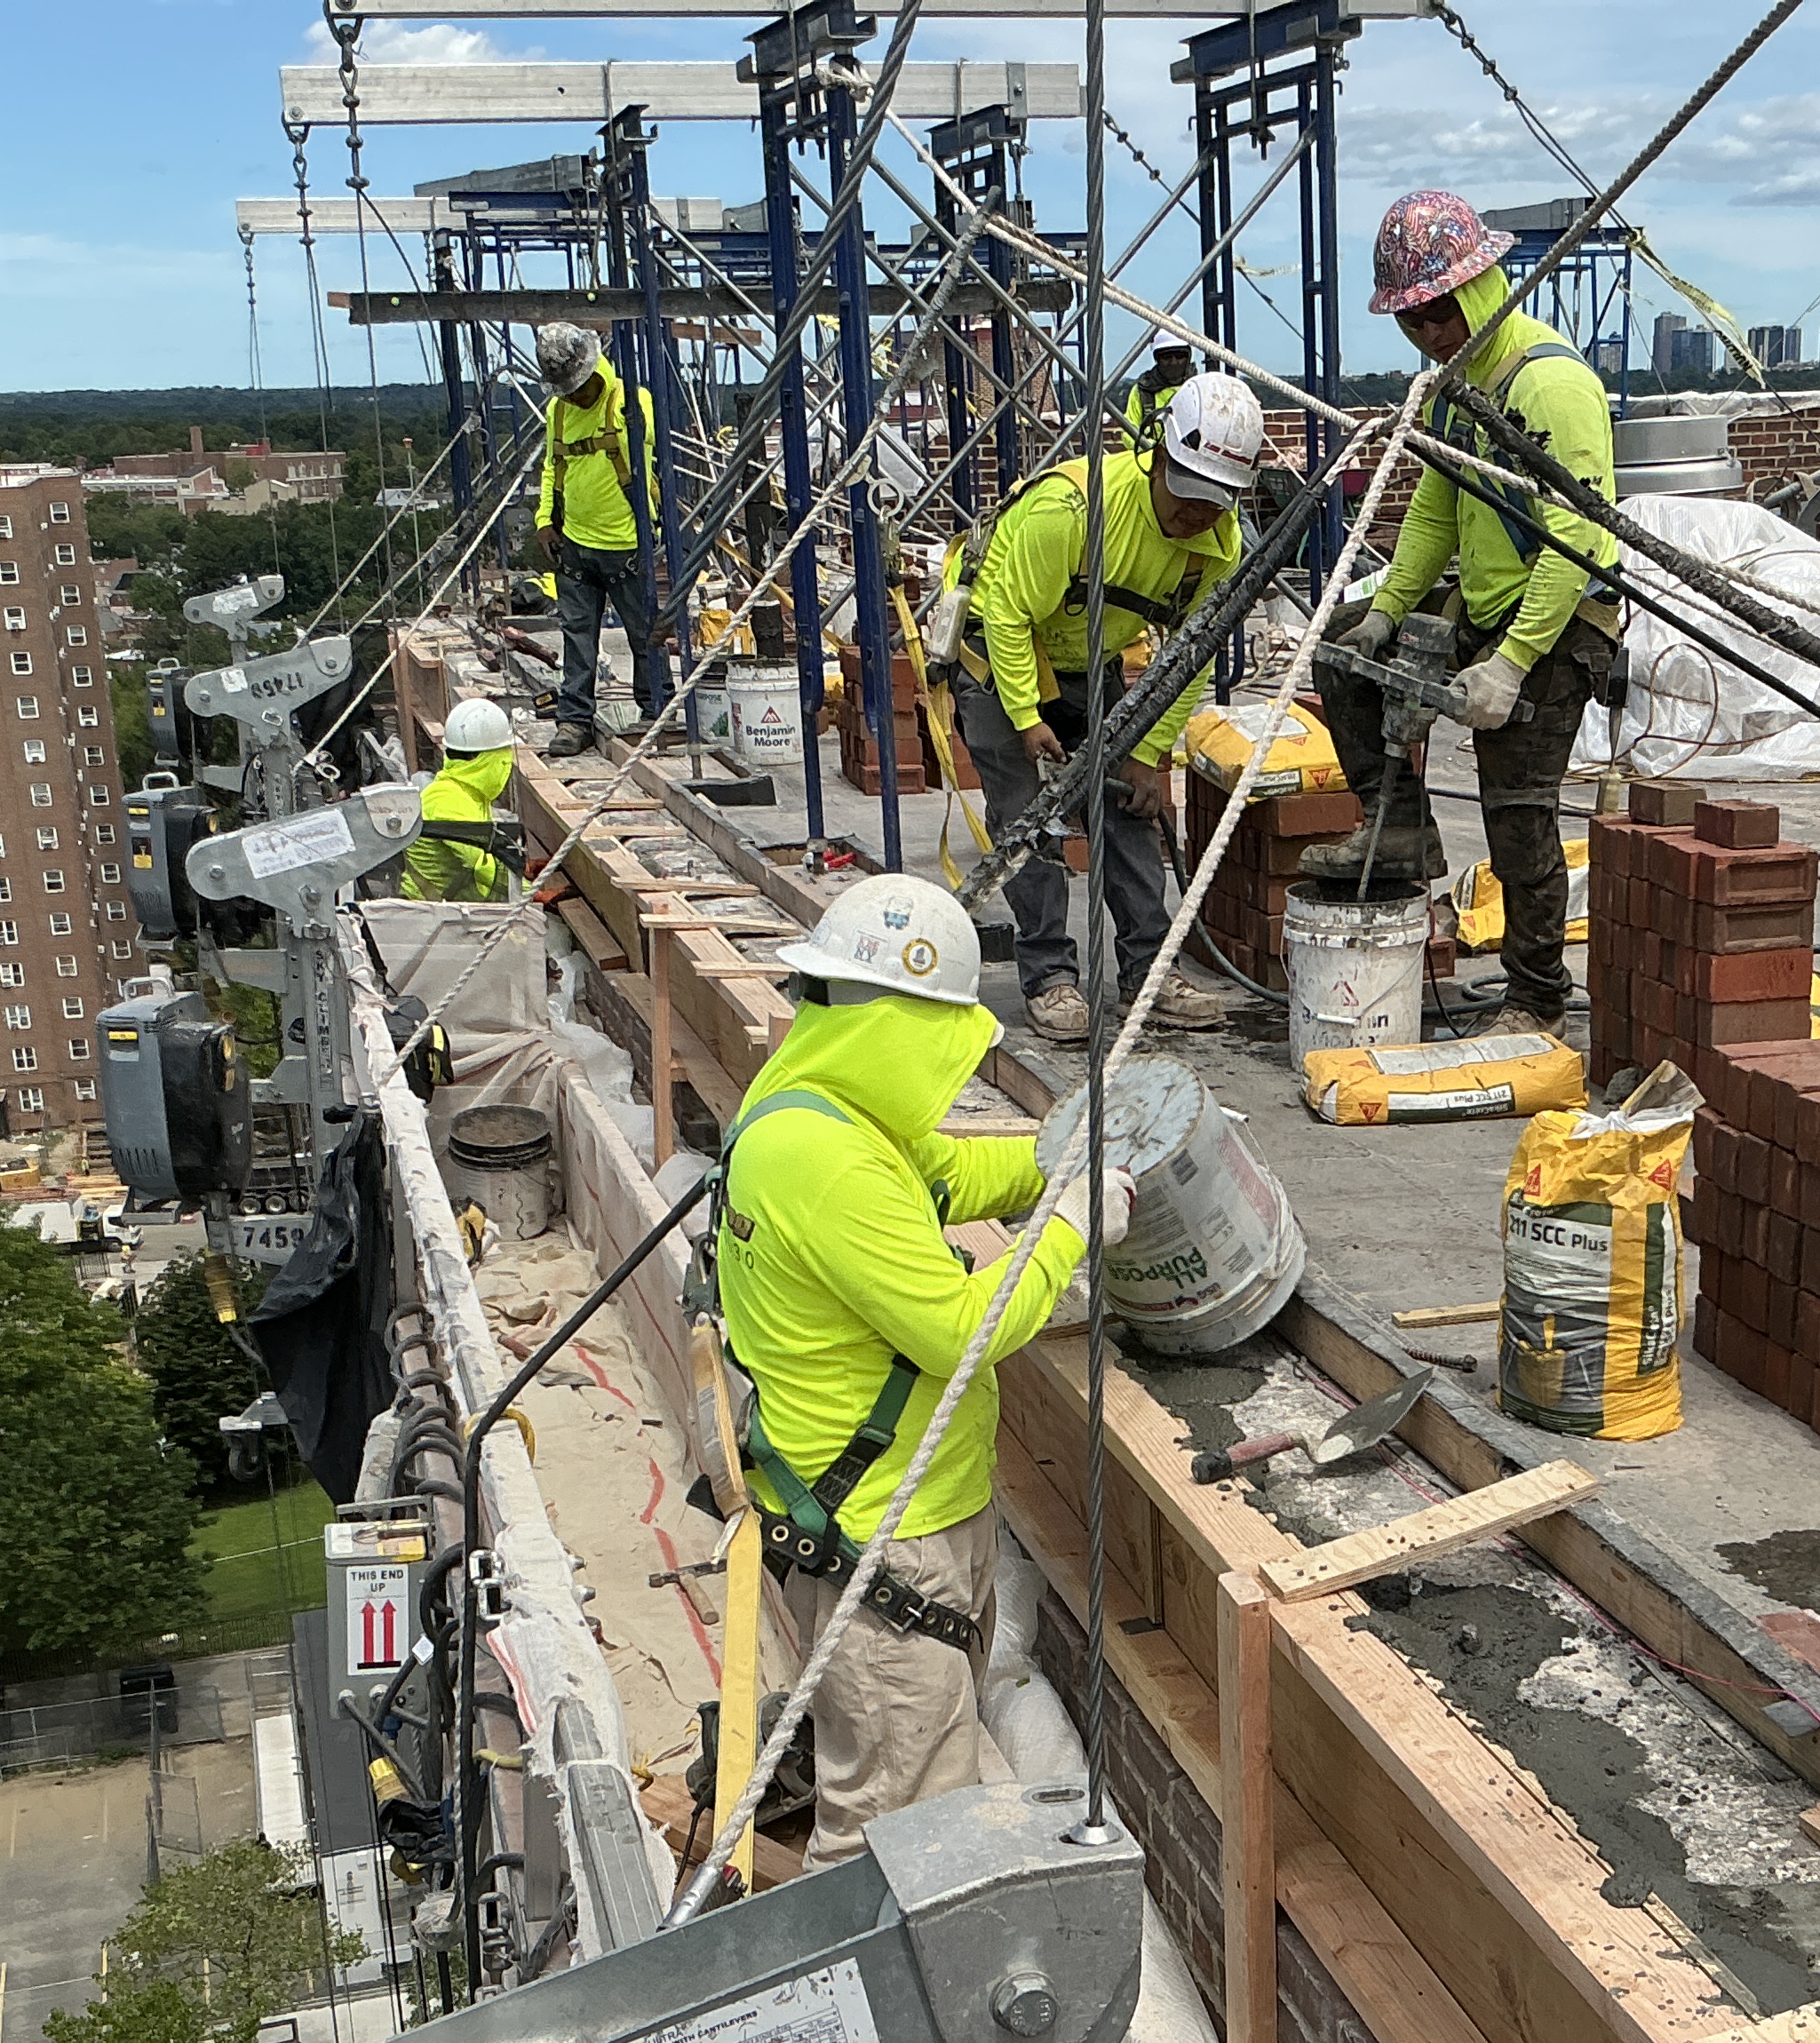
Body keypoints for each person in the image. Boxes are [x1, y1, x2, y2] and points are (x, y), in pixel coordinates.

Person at [717, 874, 1133, 1863]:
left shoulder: (820, 1106)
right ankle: (865, 2004)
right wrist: (1070, 1228)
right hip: (883, 1535)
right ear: (911, 1028)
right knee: (894, 1833)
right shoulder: (825, 1161)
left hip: (888, 1511)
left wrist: (1056, 1156)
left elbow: (945, 1174)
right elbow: (961, 1333)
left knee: (921, 1772)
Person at [1307, 189, 1625, 1038]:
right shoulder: (1452, 393)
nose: (1431, 333)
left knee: (1515, 810)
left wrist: (1515, 661)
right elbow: (1434, 515)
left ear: (1483, 284)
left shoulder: (1549, 386)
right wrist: (1387, 614)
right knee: (1340, 653)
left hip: (1557, 630)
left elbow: (1580, 537)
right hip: (1482, 612)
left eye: (1441, 312)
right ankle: (1400, 823)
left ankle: (1536, 998)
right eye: (1413, 320)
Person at [942, 370, 1268, 1044]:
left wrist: (1153, 755)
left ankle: (1149, 970)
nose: (1196, 514)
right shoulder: (1070, 512)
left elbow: (1193, 655)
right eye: (1187, 493)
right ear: (1158, 455)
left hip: (1088, 663)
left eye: (1215, 500)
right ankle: (1050, 976)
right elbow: (1004, 613)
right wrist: (1029, 718)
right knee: (1026, 817)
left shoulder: (1216, 544)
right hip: (1000, 656)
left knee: (1130, 809)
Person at [533, 322, 670, 757]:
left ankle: (657, 714)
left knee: (645, 634)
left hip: (628, 543)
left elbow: (650, 452)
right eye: (565, 390)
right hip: (576, 544)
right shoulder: (558, 412)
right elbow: (554, 468)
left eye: (576, 387)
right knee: (576, 635)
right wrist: (544, 520)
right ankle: (574, 721)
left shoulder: (630, 402)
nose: (572, 397)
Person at [396, 696, 521, 901]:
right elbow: (483, 868)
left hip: (446, 902)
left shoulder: (465, 792)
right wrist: (536, 893)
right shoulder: (448, 800)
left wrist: (527, 865)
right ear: (486, 762)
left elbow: (487, 848)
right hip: (428, 914)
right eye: (503, 762)